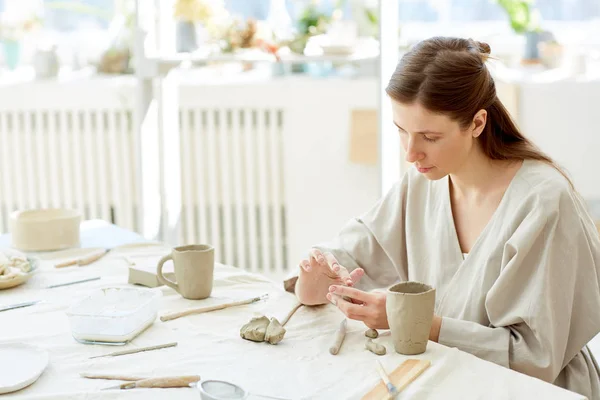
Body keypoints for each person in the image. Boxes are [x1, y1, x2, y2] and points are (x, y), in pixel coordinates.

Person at [283, 37, 600, 399]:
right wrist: (318, 276)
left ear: (478, 123)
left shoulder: (544, 203)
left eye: (430, 137)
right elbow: (329, 276)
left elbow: (536, 359)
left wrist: (415, 323)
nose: (410, 153)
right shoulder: (420, 184)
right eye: (401, 131)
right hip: (441, 380)